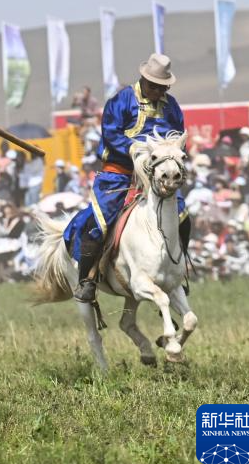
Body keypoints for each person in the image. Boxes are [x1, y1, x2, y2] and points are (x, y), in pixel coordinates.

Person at [63, 53, 190, 303]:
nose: (158, 91)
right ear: (144, 80)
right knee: (98, 223)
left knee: (183, 218)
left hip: (158, 178)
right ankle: (87, 279)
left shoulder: (172, 106)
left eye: (163, 87)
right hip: (119, 175)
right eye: (154, 86)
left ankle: (177, 272)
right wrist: (134, 151)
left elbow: (179, 136)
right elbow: (110, 133)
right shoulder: (121, 101)